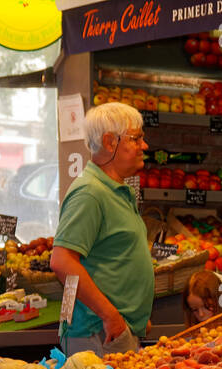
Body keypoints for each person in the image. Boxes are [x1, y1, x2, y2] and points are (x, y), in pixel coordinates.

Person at [50, 102, 154, 356]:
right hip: (98, 334)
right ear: (110, 142)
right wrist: (111, 316)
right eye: (137, 138)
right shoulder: (90, 193)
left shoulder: (116, 190)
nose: (145, 146)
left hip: (114, 331)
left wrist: (135, 316)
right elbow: (62, 261)